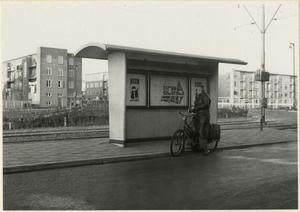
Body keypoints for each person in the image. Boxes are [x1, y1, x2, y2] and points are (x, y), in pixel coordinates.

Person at [189, 85, 211, 156]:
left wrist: (195, 108)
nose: (196, 91)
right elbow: (198, 105)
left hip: (203, 116)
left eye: (197, 90)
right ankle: (194, 144)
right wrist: (193, 108)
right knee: (193, 128)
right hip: (198, 114)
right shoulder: (198, 96)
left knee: (202, 131)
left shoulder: (205, 96)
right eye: (196, 90)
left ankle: (205, 149)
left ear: (200, 90)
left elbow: (205, 104)